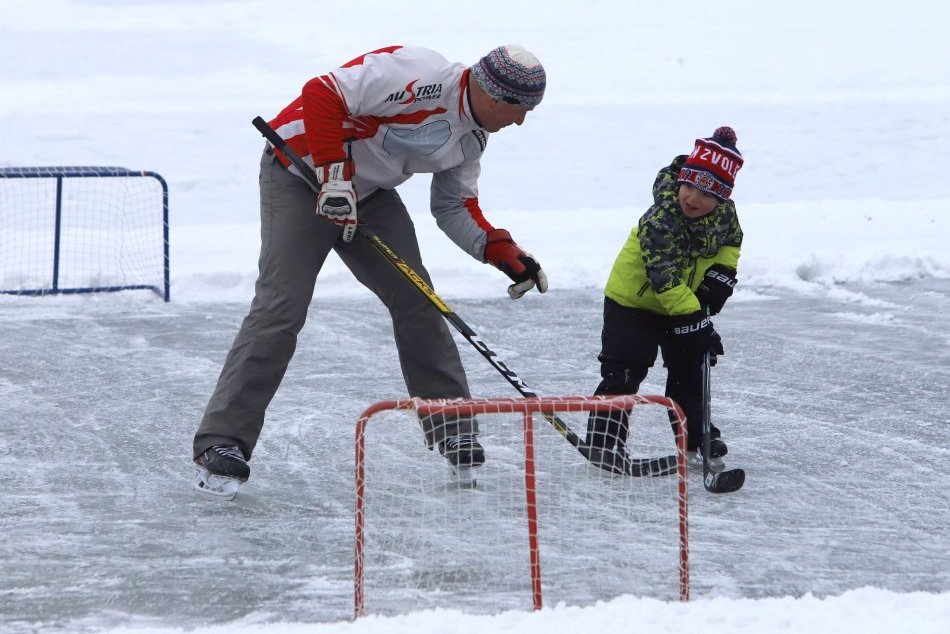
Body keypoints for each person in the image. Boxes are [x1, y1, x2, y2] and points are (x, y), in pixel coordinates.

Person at [192, 44, 549, 496]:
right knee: (282, 307)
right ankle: (222, 442)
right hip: (300, 172)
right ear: (494, 94)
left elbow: (454, 205)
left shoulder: (471, 139)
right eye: (520, 111)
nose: (520, 122)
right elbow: (322, 92)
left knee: (419, 299)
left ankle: (453, 428)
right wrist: (334, 176)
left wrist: (498, 249)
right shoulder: (418, 72)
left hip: (368, 194)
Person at [585, 126, 744, 469]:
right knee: (623, 373)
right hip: (632, 303)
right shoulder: (662, 218)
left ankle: (696, 438)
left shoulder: (725, 216)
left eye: (706, 193)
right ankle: (603, 443)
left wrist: (720, 277)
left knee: (690, 370)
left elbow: (731, 244)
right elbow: (665, 278)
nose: (693, 198)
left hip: (682, 303)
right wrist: (698, 322)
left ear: (721, 198)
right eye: (689, 186)